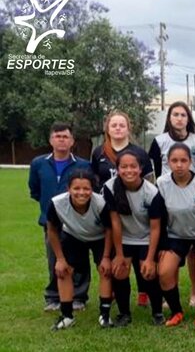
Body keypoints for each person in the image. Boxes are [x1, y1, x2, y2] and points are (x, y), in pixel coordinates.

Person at [90, 111, 153, 307]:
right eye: (113, 125)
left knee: (138, 252)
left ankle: (144, 291)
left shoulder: (140, 152)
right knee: (112, 251)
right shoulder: (99, 152)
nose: (117, 128)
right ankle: (115, 291)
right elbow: (93, 181)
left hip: (135, 210)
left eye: (121, 125)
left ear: (128, 128)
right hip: (108, 209)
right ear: (107, 128)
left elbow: (150, 181)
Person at [29, 122, 91, 312]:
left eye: (65, 137)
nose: (61, 140)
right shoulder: (39, 163)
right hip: (51, 222)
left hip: (76, 222)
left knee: (79, 259)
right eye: (58, 136)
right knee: (55, 260)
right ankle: (54, 296)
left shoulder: (83, 164)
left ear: (72, 141)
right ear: (50, 140)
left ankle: (79, 296)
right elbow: (35, 190)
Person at [156, 144, 195, 327]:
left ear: (191, 162)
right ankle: (176, 312)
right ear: (168, 162)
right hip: (176, 236)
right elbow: (160, 217)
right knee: (164, 272)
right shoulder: (162, 183)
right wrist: (163, 244)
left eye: (183, 160)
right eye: (174, 161)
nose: (179, 165)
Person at [46, 170, 114, 330]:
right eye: (76, 188)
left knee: (105, 270)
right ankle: (67, 316)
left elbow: (109, 230)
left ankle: (104, 315)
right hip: (73, 235)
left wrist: (105, 257)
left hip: (99, 237)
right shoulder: (56, 203)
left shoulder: (100, 203)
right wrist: (60, 259)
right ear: (68, 189)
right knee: (64, 271)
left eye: (86, 189)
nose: (81, 193)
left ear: (92, 189)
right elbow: (52, 230)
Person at [104, 151, 165, 326]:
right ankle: (124, 313)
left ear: (141, 169)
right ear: (117, 169)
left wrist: (150, 258)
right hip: (123, 238)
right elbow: (115, 222)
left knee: (148, 273)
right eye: (124, 167)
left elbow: (155, 228)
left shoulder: (152, 192)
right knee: (120, 271)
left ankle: (157, 312)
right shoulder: (110, 188)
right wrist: (119, 255)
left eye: (133, 166)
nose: (128, 170)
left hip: (146, 238)